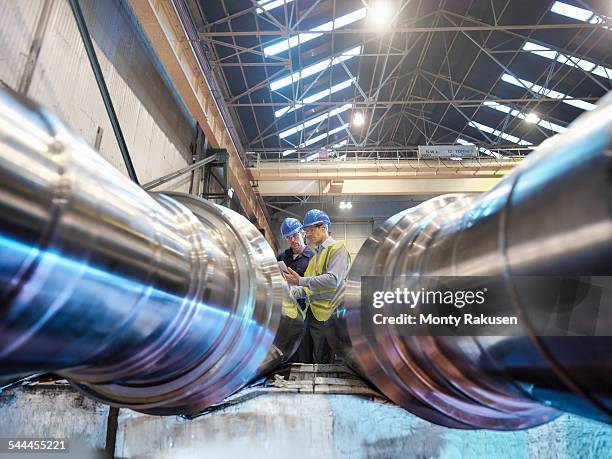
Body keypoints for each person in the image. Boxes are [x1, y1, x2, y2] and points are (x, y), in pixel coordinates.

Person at [283, 209, 351, 364]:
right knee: (308, 356)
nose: (309, 234)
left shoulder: (337, 249)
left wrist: (300, 281)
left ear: (324, 227)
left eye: (312, 229)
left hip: (328, 314)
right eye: (307, 231)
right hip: (312, 313)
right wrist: (286, 291)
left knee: (323, 358)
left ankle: (325, 386)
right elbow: (308, 287)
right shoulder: (316, 256)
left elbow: (333, 279)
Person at [277, 217, 314, 362]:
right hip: (286, 312)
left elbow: (316, 284)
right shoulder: (282, 258)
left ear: (303, 234)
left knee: (304, 349)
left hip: (306, 310)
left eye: (295, 235)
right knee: (286, 348)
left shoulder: (313, 257)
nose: (292, 240)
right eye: (288, 237)